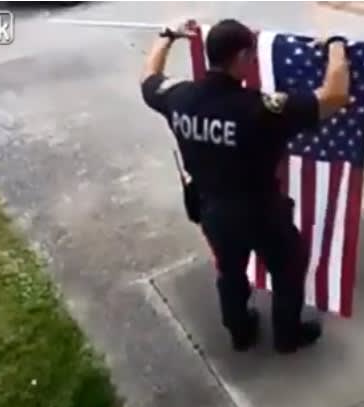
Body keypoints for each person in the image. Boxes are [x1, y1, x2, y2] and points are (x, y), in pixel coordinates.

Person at [140, 19, 351, 354]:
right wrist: (337, 45)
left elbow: (148, 80)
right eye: (250, 54)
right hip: (262, 213)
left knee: (230, 271)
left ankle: (240, 331)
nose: (253, 59)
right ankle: (287, 335)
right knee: (287, 270)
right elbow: (335, 95)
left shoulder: (179, 98)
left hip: (212, 211)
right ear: (240, 56)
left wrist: (165, 37)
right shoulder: (260, 110)